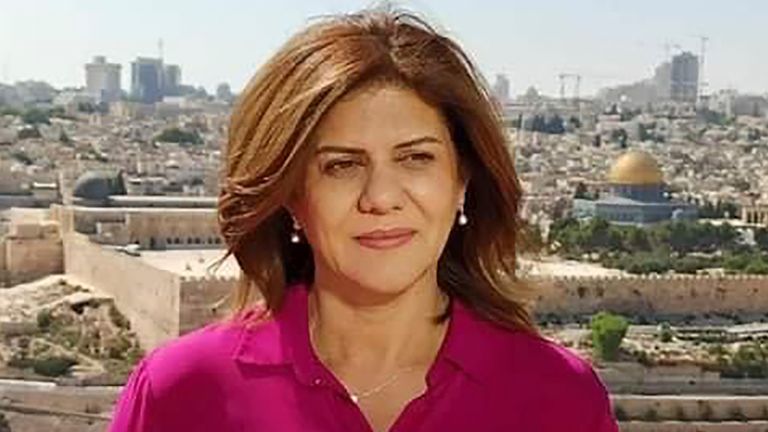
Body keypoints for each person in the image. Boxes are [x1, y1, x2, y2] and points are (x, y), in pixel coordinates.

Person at [109, 6, 619, 432]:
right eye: (342, 165)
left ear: (462, 180)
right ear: (291, 195)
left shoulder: (557, 398)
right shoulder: (184, 391)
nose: (381, 197)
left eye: (415, 158)